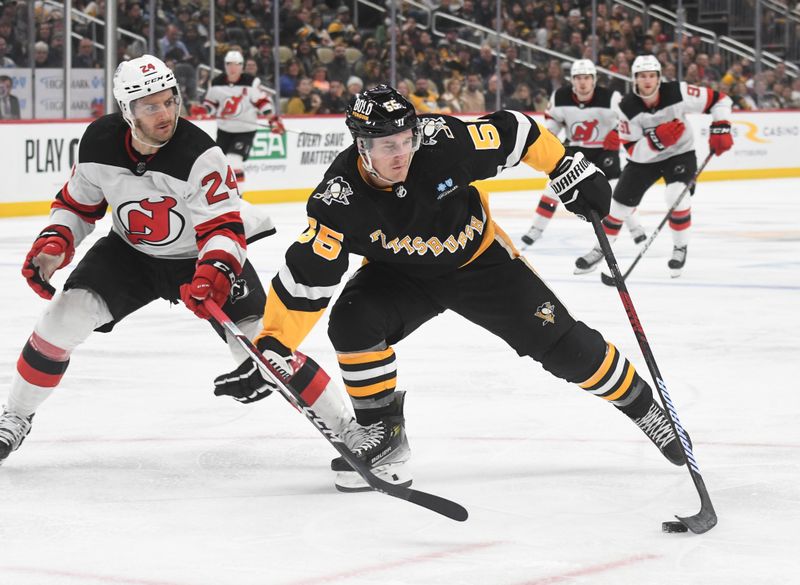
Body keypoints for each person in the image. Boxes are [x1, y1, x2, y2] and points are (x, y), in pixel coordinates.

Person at [211, 84, 691, 492]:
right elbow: (307, 280)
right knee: (353, 322)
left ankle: (645, 408)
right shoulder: (338, 199)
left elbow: (515, 131)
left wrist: (565, 165)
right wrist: (274, 344)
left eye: (404, 139)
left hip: (479, 260)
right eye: (384, 145)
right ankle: (383, 434)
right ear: (361, 146)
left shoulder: (444, 141)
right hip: (402, 275)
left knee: (563, 346)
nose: (399, 153)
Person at [0, 55, 280, 464]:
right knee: (60, 321)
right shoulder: (98, 141)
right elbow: (78, 205)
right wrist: (56, 241)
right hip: (129, 254)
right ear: (127, 111)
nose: (165, 113)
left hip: (197, 257)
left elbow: (223, 228)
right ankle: (15, 415)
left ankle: (345, 424)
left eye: (169, 101)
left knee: (266, 352)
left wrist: (214, 272)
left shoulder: (200, 152)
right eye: (151, 106)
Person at [574, 55, 733, 277]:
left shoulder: (679, 92)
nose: (647, 81)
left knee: (676, 194)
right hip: (644, 161)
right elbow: (632, 151)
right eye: (641, 76)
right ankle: (601, 248)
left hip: (680, 154)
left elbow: (721, 100)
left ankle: (680, 247)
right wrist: (657, 140)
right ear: (634, 79)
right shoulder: (627, 107)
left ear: (658, 78)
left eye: (651, 76)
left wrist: (721, 126)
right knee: (617, 207)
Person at [521, 60, 646, 262]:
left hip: (605, 151)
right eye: (578, 78)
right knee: (554, 188)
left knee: (618, 191)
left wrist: (617, 133)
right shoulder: (560, 96)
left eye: (587, 78)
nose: (583, 83)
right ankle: (537, 228)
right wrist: (551, 136)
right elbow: (551, 122)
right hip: (577, 152)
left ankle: (636, 228)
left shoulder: (611, 97)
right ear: (573, 80)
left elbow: (627, 118)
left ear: (594, 80)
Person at [191, 50, 283, 185]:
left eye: (236, 64)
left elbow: (262, 102)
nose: (232, 68)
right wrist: (203, 110)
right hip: (224, 130)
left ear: (242, 66)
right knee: (220, 165)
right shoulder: (216, 82)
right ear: (225, 65)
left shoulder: (251, 82)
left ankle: (238, 199)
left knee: (234, 160)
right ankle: (226, 197)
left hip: (245, 130)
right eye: (229, 64)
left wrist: (272, 119)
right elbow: (211, 104)